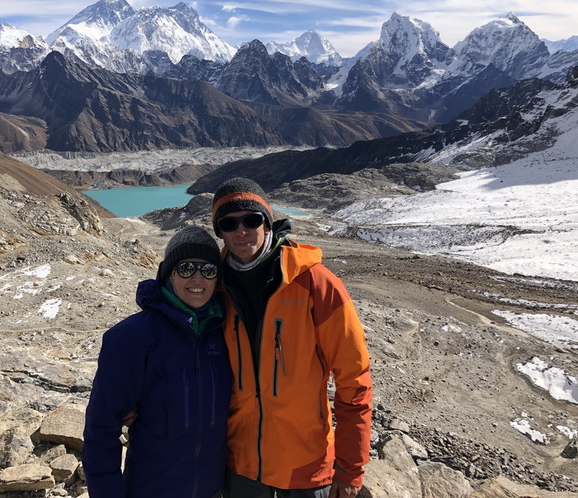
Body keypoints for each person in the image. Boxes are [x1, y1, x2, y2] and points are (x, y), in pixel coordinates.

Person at [211, 177, 373, 498]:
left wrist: (350, 468)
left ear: (267, 221)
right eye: (229, 224)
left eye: (251, 219)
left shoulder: (315, 283)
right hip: (241, 464)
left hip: (306, 463)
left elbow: (354, 380)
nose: (241, 231)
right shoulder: (213, 286)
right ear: (219, 231)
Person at [82, 225, 232, 498]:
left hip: (212, 489)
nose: (197, 278)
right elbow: (101, 428)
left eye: (208, 270)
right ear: (168, 274)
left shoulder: (227, 333)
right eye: (186, 268)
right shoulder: (132, 337)